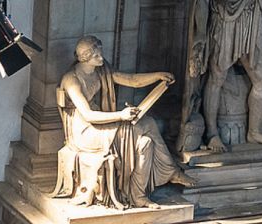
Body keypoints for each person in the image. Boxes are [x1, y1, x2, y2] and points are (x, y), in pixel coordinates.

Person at [60, 35, 191, 209]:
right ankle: (172, 171)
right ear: (85, 58)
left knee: (145, 142)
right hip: (85, 131)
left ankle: (139, 196)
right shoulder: (72, 80)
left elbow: (131, 80)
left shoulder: (101, 68)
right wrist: (121, 115)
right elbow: (89, 115)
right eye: (97, 56)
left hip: (101, 123)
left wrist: (157, 76)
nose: (101, 58)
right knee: (148, 123)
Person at [202, 0, 262, 151]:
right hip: (226, 16)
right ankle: (212, 134)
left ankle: (254, 131)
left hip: (250, 17)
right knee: (217, 77)